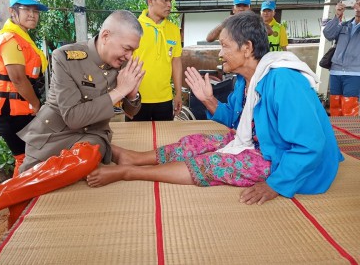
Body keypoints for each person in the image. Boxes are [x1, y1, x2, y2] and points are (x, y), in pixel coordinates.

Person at [87, 11, 343, 206]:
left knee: (214, 162)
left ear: (247, 48)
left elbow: (311, 144)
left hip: (286, 161)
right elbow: (238, 121)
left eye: (224, 46)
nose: (220, 53)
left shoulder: (283, 80)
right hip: (260, 143)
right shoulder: (245, 80)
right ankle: (136, 157)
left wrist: (276, 185)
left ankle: (129, 171)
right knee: (196, 142)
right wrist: (209, 101)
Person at [0, 10, 145, 249]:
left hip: (92, 135)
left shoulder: (122, 65)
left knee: (89, 157)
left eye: (133, 50)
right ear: (107, 35)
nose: (130, 56)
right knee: (19, 215)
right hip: (53, 134)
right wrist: (119, 92)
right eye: (127, 48)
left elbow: (131, 112)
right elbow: (74, 117)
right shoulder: (65, 57)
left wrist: (132, 94)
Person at [0, 0, 48, 173]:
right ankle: (19, 198)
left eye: (36, 11)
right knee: (25, 157)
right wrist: (36, 104)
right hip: (8, 111)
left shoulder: (23, 37)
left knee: (28, 155)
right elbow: (18, 79)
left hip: (18, 108)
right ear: (13, 12)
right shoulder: (10, 40)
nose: (32, 15)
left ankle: (23, 195)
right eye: (26, 9)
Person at [127, 0, 183, 121]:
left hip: (164, 99)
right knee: (137, 141)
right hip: (136, 98)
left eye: (170, 0)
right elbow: (122, 62)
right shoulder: (133, 27)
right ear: (150, 0)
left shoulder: (174, 30)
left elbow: (176, 62)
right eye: (164, 0)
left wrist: (178, 93)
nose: (169, 5)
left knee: (165, 141)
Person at [323, 0, 360, 116]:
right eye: (357, 3)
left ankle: (351, 135)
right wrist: (337, 16)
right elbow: (328, 34)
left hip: (355, 74)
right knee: (335, 109)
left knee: (350, 110)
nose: (357, 6)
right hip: (336, 72)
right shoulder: (344, 25)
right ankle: (336, 135)